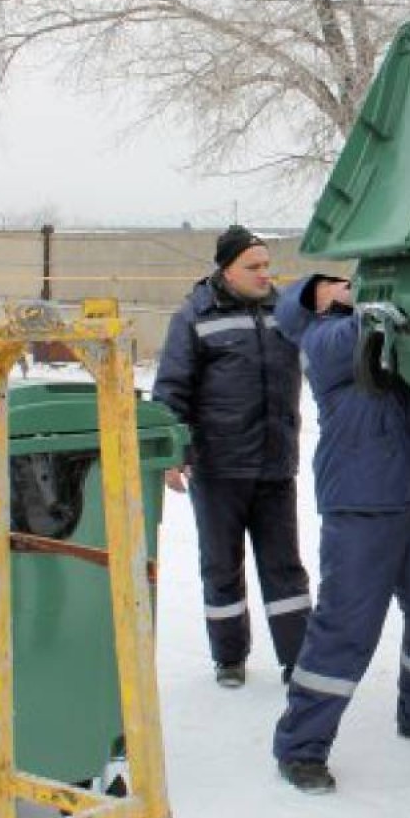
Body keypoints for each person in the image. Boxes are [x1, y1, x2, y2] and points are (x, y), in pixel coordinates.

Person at [270, 273, 410, 796]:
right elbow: (353, 338)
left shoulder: (387, 336)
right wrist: (372, 308)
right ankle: (301, 747)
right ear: (316, 298)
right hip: (361, 504)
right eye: (337, 283)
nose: (350, 284)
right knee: (346, 628)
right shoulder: (321, 339)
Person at [152, 224, 311, 689]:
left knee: (285, 566)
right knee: (222, 565)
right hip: (219, 466)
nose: (265, 274)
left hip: (275, 462)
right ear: (227, 269)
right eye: (254, 266)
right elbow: (171, 390)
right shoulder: (193, 316)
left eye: (267, 265)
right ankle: (229, 657)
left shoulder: (284, 313)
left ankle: (297, 659)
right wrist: (172, 454)